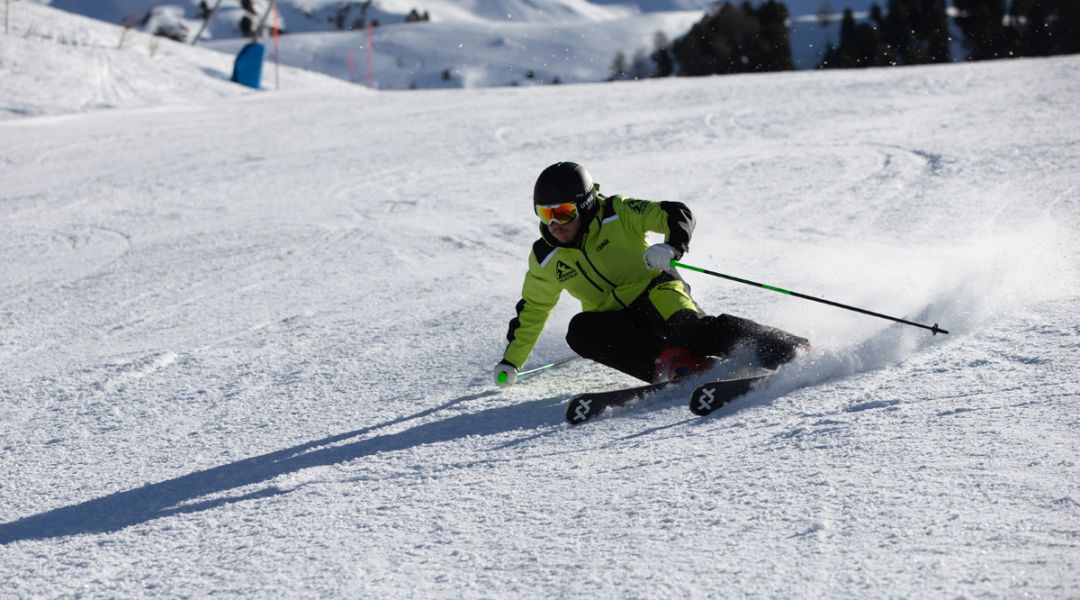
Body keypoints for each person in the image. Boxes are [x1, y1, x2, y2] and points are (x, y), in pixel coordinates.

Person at [493, 162, 808, 387]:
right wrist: (512, 361)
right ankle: (677, 365)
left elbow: (677, 213)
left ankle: (788, 349)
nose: (555, 224)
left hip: (657, 291)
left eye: (563, 212)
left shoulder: (618, 212)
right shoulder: (545, 256)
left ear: (586, 205)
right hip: (617, 322)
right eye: (545, 214)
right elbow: (533, 309)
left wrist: (672, 247)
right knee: (580, 331)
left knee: (691, 331)